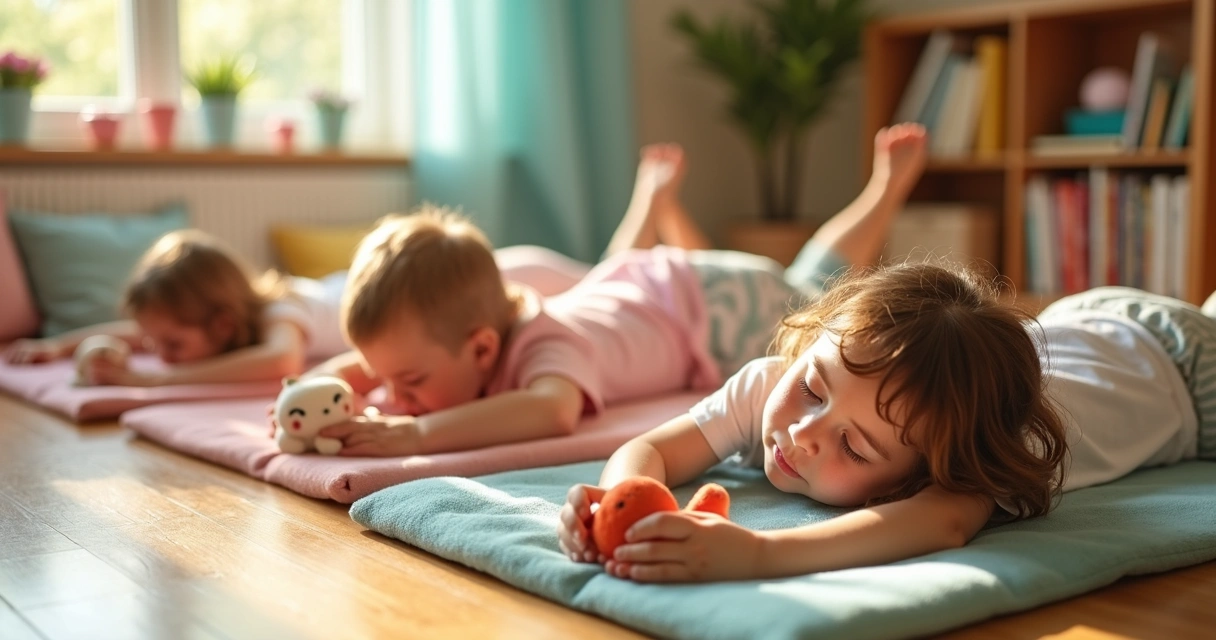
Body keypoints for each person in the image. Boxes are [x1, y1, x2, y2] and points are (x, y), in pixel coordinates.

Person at [554, 253, 1216, 585]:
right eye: (813, 389)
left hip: (1189, 373)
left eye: (856, 446)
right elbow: (656, 450)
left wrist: (759, 552)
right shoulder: (771, 387)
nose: (805, 435)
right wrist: (616, 504)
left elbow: (944, 522)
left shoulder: (977, 448)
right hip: (1083, 321)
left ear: (921, 472)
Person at [303, 125, 931, 457]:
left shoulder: (547, 351)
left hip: (712, 312)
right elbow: (369, 368)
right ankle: (659, 204)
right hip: (642, 282)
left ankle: (883, 189)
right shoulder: (482, 336)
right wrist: (319, 390)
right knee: (612, 262)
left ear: (482, 349)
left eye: (409, 383)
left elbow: (550, 410)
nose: (396, 393)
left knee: (806, 282)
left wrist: (414, 436)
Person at [3, 229, 349, 386]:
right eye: (158, 343)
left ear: (224, 326)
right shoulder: (208, 321)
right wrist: (57, 346)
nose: (159, 353)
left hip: (351, 293)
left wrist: (158, 379)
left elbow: (281, 362)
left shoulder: (279, 311)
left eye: (173, 345)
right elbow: (137, 335)